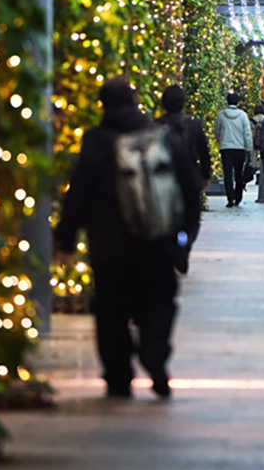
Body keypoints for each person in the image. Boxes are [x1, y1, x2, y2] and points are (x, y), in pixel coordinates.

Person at [55, 78, 203, 399]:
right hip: (157, 238)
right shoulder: (160, 138)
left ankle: (119, 376)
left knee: (111, 308)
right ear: (136, 102)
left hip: (109, 242)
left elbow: (78, 192)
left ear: (102, 104)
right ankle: (154, 351)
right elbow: (188, 188)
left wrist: (66, 237)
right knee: (160, 299)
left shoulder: (96, 141)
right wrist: (185, 235)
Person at [157, 84, 212, 188]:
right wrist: (205, 176)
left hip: (164, 180)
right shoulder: (194, 125)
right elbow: (204, 154)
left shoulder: (156, 126)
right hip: (189, 177)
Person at [213, 92, 253, 207]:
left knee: (228, 173)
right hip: (239, 148)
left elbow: (217, 131)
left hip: (225, 148)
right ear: (238, 102)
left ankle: (230, 198)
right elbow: (247, 133)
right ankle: (238, 196)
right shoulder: (243, 115)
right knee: (239, 173)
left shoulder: (221, 115)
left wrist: (220, 141)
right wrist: (249, 148)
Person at [251, 103, 264, 204]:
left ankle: (256, 175)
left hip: (254, 144)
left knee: (255, 161)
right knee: (262, 160)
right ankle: (261, 177)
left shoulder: (251, 120)